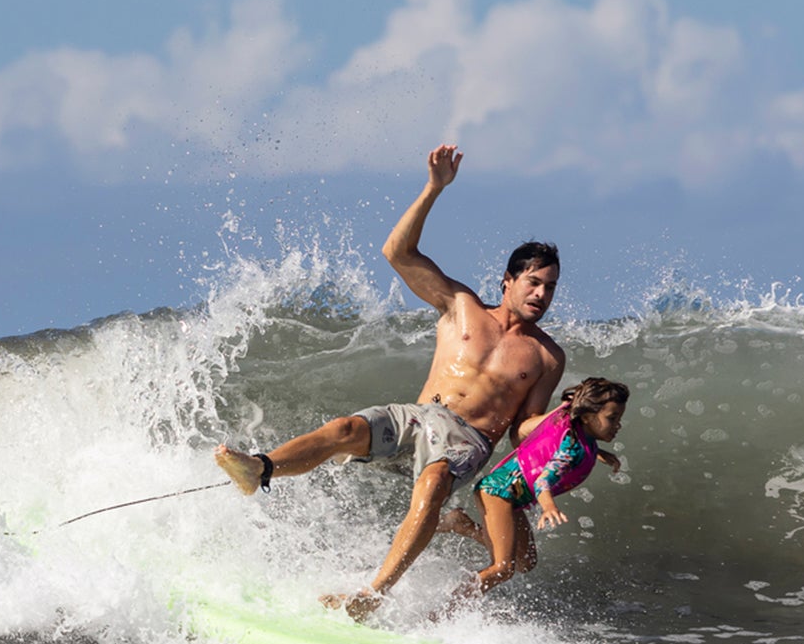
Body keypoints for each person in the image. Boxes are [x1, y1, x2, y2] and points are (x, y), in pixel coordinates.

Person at [214, 143, 566, 619]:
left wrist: (558, 420)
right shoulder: (460, 304)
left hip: (467, 440)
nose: (542, 295)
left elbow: (522, 427)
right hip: (419, 417)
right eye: (534, 283)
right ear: (508, 281)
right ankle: (261, 468)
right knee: (344, 430)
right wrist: (433, 189)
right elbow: (396, 252)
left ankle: (372, 595)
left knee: (437, 478)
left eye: (550, 288)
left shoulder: (546, 356)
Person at [440, 376, 627, 598]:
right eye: (612, 418)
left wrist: (600, 454)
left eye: (619, 418)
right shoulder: (570, 448)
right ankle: (442, 612)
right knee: (502, 568)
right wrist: (548, 507)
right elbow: (542, 481)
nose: (618, 425)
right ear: (587, 417)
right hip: (499, 491)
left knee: (524, 562)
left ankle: (462, 525)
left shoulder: (577, 429)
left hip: (513, 497)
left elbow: (569, 446)